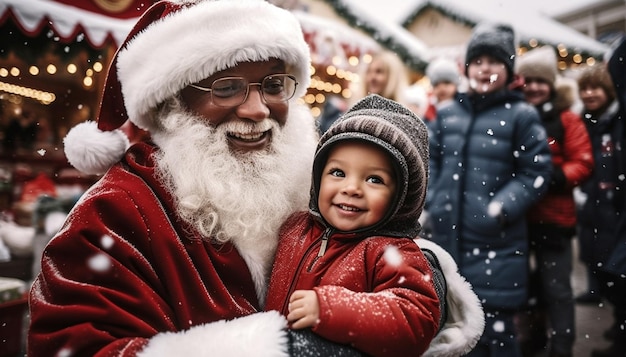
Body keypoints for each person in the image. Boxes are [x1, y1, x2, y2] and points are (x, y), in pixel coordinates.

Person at [27, 1, 482, 356]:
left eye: (273, 84)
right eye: (225, 87)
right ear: (171, 103)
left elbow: (363, 251)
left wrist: (417, 273)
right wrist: (278, 351)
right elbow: (75, 346)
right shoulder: (114, 213)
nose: (257, 109)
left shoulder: (304, 178)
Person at [265, 94, 485, 357]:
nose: (351, 188)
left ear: (400, 196)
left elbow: (415, 319)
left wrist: (332, 309)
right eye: (338, 172)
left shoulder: (392, 252)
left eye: (374, 179)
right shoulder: (295, 228)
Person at [425, 22, 553, 357]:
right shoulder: (449, 112)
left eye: (494, 61)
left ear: (509, 70)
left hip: (496, 244)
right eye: (477, 61)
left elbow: (536, 170)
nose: (484, 69)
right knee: (451, 324)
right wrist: (433, 198)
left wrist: (501, 207)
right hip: (447, 237)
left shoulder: (521, 115)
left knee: (495, 331)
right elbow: (431, 158)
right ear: (467, 68)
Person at [515, 45, 594, 357]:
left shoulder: (566, 120)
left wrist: (555, 177)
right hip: (520, 220)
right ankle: (532, 341)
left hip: (554, 220)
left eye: (541, 81)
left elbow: (584, 161)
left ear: (551, 84)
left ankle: (561, 348)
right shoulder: (516, 117)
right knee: (526, 289)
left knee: (557, 289)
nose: (534, 87)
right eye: (529, 81)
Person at [576, 36, 626, 357]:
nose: (590, 94)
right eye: (585, 89)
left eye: (596, 88)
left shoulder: (615, 123)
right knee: (595, 259)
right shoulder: (584, 123)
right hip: (591, 205)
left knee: (615, 271)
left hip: (613, 208)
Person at [423, 57, 462, 122]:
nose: (442, 88)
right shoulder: (428, 111)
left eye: (446, 83)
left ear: (456, 84)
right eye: (436, 84)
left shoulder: (464, 109)